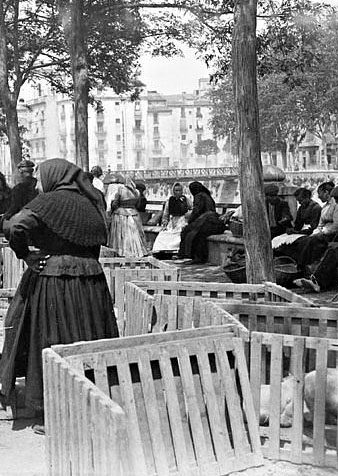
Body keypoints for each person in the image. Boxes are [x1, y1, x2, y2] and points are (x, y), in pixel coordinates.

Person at [0, 158, 119, 434]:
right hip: (92, 284)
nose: (39, 184)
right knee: (88, 337)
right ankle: (93, 405)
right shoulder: (93, 200)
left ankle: (54, 413)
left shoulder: (48, 202)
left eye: (41, 177)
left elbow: (17, 227)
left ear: (54, 177)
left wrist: (26, 255)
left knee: (52, 339)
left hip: (55, 280)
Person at [294, 184, 338, 292]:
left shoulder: (317, 207)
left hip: (329, 234)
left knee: (332, 250)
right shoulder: (325, 207)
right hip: (328, 234)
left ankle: (316, 281)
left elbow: (336, 226)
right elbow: (320, 225)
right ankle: (312, 277)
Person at [175, 181, 225, 264]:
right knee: (195, 232)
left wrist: (190, 222)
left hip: (207, 222)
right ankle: (188, 255)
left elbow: (196, 212)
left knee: (189, 232)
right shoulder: (207, 195)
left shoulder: (199, 196)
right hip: (213, 222)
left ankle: (187, 255)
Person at [108, 174, 148, 258]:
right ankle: (136, 251)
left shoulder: (120, 190)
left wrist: (112, 209)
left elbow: (115, 203)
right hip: (134, 214)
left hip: (121, 214)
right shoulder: (136, 192)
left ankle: (120, 251)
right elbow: (138, 205)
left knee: (122, 235)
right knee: (134, 234)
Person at [272, 187, 322, 253]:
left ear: (307, 197)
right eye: (298, 201)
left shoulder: (316, 208)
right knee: (279, 240)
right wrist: (292, 230)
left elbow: (313, 228)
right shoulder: (301, 208)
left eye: (301, 201)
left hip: (311, 233)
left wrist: (297, 232)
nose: (300, 203)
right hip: (301, 232)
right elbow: (298, 224)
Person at [152, 182, 192, 255]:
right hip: (173, 221)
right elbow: (166, 213)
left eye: (179, 190)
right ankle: (162, 249)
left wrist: (188, 215)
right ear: (173, 191)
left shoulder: (186, 199)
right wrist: (164, 223)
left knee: (179, 234)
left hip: (182, 220)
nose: (178, 192)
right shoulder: (170, 200)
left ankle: (176, 250)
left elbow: (192, 208)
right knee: (165, 234)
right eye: (176, 190)